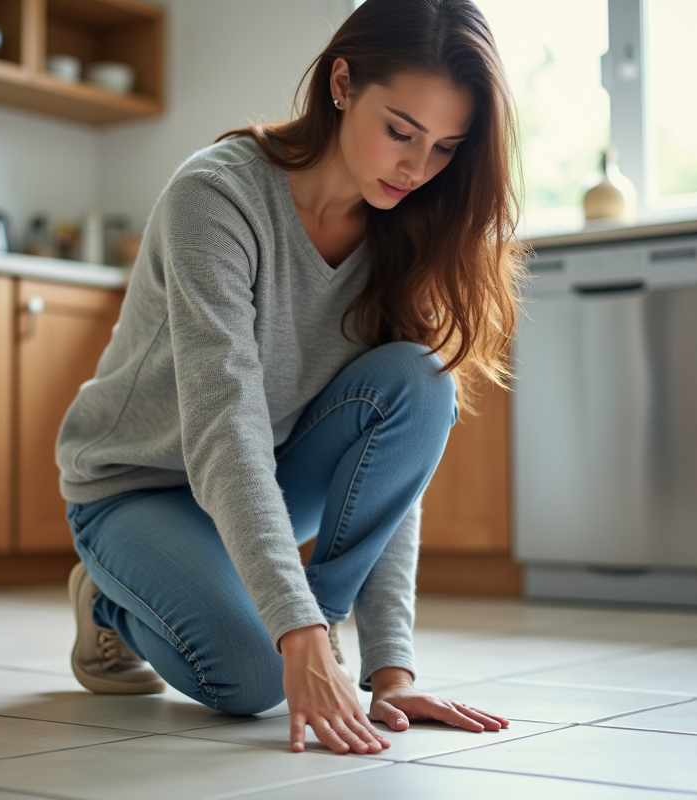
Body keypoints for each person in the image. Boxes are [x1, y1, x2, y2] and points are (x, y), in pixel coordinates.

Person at [56, 0, 523, 755]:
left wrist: (391, 671)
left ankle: (310, 640)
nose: (416, 166)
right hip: (138, 486)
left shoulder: (406, 229)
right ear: (342, 83)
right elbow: (223, 424)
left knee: (422, 380)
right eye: (401, 131)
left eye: (445, 148)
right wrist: (293, 634)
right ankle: (109, 603)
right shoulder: (216, 196)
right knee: (249, 680)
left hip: (267, 482)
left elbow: (389, 477)